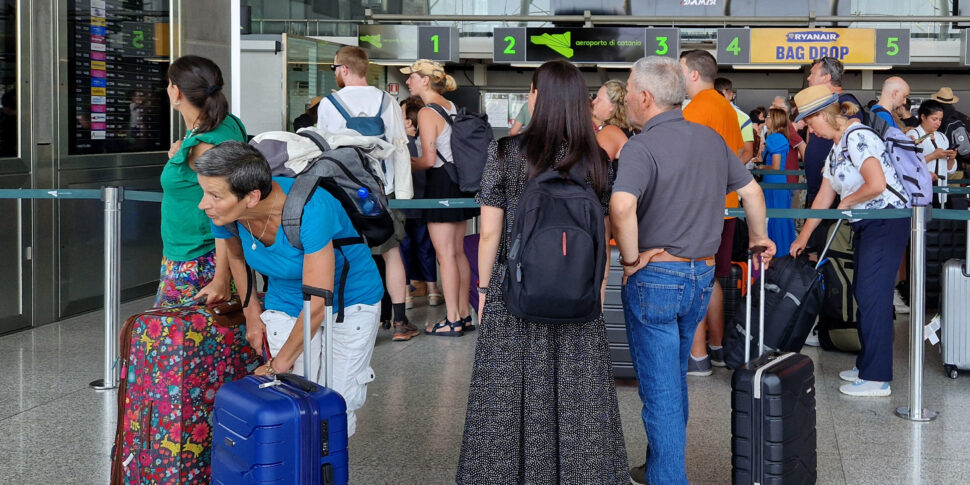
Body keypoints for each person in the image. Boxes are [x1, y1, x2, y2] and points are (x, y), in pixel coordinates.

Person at [456, 59, 627, 485]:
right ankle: (579, 473)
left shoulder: (507, 153)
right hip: (578, 292)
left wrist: (481, 289)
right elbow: (600, 237)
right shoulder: (596, 161)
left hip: (513, 290)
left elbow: (490, 232)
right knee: (578, 392)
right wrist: (597, 294)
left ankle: (503, 473)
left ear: (537, 97)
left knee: (507, 387)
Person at [613, 56, 775, 485]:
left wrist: (630, 261)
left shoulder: (640, 146)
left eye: (629, 89)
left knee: (660, 388)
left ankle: (669, 478)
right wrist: (758, 239)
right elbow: (752, 193)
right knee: (673, 378)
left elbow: (622, 205)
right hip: (700, 279)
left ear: (645, 97)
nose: (625, 97)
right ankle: (656, 467)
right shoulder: (709, 139)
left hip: (655, 279)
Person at [195, 141, 384, 435]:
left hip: (349, 302)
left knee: (335, 402)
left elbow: (318, 303)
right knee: (292, 400)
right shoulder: (224, 214)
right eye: (204, 192)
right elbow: (235, 255)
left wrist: (277, 364)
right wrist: (252, 316)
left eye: (214, 195)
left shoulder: (311, 207)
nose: (203, 204)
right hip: (285, 301)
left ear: (252, 197)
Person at [789, 85, 909, 397]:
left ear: (823, 115)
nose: (806, 127)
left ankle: (876, 377)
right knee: (864, 292)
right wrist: (802, 237)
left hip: (887, 220)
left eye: (808, 120)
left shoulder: (858, 137)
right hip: (868, 223)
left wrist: (848, 202)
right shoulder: (837, 147)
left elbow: (877, 183)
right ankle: (867, 363)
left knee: (873, 293)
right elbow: (822, 198)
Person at [318, 46, 418, 341]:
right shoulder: (387, 101)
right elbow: (400, 147)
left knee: (347, 253)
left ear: (345, 70)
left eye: (335, 68)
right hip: (381, 192)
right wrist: (402, 193)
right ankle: (400, 322)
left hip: (343, 194)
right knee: (391, 253)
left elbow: (323, 152)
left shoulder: (328, 104)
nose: (335, 73)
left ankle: (352, 321)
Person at [156, 55, 247, 307]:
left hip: (196, 261)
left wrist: (220, 277)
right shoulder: (226, 124)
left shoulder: (204, 145)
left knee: (175, 342)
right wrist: (182, 146)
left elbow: (224, 211)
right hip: (197, 255)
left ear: (176, 92)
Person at [679, 49, 745, 374]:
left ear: (692, 74)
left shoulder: (694, 109)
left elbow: (684, 162)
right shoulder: (727, 108)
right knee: (714, 277)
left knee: (696, 277)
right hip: (727, 205)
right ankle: (717, 347)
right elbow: (741, 152)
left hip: (700, 207)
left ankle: (698, 355)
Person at [403, 59, 478, 336]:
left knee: (445, 255)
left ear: (425, 80)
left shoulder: (426, 112)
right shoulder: (452, 107)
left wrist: (408, 162)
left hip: (440, 184)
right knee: (458, 253)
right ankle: (463, 314)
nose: (408, 81)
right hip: (458, 182)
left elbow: (429, 159)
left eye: (412, 76)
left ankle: (451, 319)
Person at [398, 96, 443, 309]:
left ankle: (406, 294)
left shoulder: (398, 146)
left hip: (403, 206)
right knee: (426, 247)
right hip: (426, 203)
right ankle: (433, 291)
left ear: (408, 121)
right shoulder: (427, 144)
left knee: (403, 248)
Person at [803, 57, 864, 208]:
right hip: (818, 188)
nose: (808, 78)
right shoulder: (824, 104)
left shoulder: (844, 102)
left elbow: (853, 130)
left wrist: (835, 160)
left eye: (813, 74)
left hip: (833, 192)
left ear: (826, 77)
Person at [907, 99, 957, 207]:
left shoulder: (942, 137)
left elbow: (949, 170)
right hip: (922, 190)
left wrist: (952, 158)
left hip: (941, 190)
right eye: (934, 119)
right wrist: (933, 156)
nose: (938, 123)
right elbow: (909, 164)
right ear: (923, 117)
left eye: (940, 119)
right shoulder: (913, 135)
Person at [760, 108, 798, 251]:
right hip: (779, 181)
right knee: (781, 216)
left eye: (769, 117)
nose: (766, 120)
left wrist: (762, 167)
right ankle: (782, 248)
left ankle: (775, 249)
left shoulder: (774, 138)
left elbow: (775, 166)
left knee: (772, 216)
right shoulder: (781, 137)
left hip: (772, 182)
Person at [714, 77, 755, 163]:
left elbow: (747, 152)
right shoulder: (744, 118)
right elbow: (748, 152)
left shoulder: (743, 118)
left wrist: (731, 171)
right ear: (731, 95)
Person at [591, 79, 633, 160]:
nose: (594, 102)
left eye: (599, 99)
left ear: (612, 106)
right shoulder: (630, 130)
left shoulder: (610, 132)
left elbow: (595, 168)